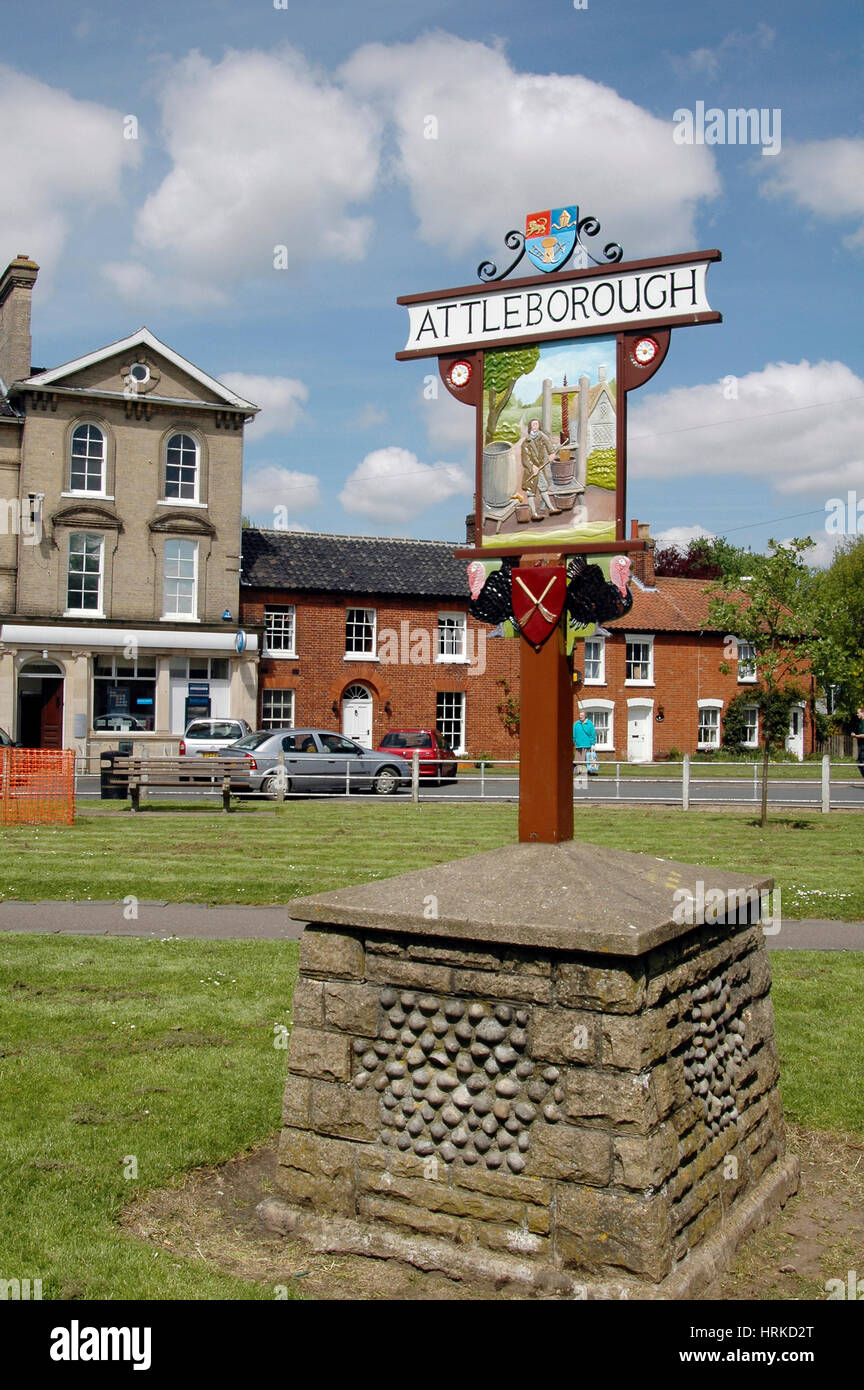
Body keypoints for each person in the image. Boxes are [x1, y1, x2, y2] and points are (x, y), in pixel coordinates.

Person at [518, 419, 562, 519]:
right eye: (533, 424)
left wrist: (551, 454)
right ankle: (533, 514)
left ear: (539, 426)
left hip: (540, 468)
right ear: (530, 427)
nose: (535, 425)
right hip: (531, 471)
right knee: (531, 492)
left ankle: (551, 509)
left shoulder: (542, 436)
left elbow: (549, 445)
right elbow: (525, 458)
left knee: (543, 487)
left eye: (536, 424)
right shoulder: (526, 442)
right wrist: (531, 467)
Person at [572, 708, 596, 789]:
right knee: (579, 759)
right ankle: (580, 772)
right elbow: (574, 734)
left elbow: (593, 734)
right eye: (580, 715)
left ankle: (589, 771)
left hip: (587, 744)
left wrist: (593, 743)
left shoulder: (589, 724)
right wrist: (574, 741)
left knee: (588, 759)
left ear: (585, 716)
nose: (580, 717)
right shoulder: (576, 724)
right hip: (579, 744)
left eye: (582, 715)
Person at [855, 707, 864, 780]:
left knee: (861, 764)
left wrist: (856, 736)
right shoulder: (860, 722)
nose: (857, 714)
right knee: (859, 763)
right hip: (861, 747)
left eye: (858, 712)